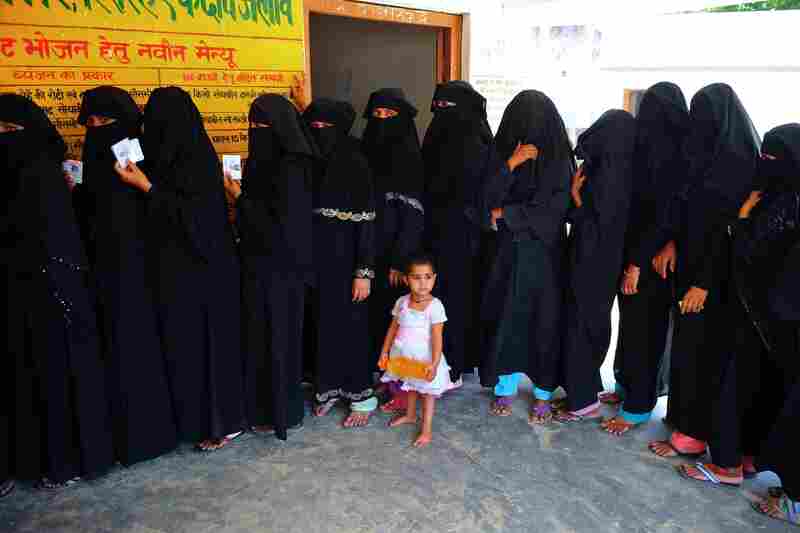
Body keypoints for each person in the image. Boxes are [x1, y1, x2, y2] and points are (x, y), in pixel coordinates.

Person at [115, 87, 244, 452]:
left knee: (210, 348)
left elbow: (196, 220)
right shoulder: (155, 153)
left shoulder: (197, 158)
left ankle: (223, 422)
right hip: (172, 271)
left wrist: (148, 187)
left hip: (206, 270)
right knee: (183, 348)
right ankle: (191, 421)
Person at [0, 94, 113, 490]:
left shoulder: (39, 173)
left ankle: (67, 460)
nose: (4, 138)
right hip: (30, 291)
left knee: (59, 372)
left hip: (55, 291)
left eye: (10, 131)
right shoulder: (43, 172)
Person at [677, 124, 800, 486]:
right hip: (777, 318)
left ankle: (727, 466)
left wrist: (742, 220)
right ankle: (747, 459)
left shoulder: (778, 202)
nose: (765, 162)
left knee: (735, 384)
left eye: (772, 157)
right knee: (762, 388)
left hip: (758, 315)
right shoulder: (786, 194)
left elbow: (750, 255)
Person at [648, 83, 760, 458]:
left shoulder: (739, 167)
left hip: (714, 281)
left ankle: (693, 435)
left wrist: (703, 283)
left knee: (704, 354)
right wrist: (673, 242)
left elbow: (728, 233)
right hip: (692, 266)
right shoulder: (706, 156)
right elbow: (688, 209)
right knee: (688, 348)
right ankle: (684, 421)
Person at [76, 86, 178, 464]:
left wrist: (143, 187)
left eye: (106, 121)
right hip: (103, 274)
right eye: (91, 122)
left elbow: (166, 216)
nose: (97, 129)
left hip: (142, 274)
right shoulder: (94, 168)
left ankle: (149, 435)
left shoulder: (147, 164)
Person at [223, 93, 317, 440]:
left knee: (279, 340)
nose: (254, 131)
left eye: (261, 125)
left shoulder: (293, 165)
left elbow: (282, 225)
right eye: (251, 124)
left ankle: (282, 412)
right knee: (261, 339)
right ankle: (263, 409)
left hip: (281, 270)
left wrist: (239, 199)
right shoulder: (271, 161)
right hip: (260, 266)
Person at [478, 90, 574, 422]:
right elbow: (483, 198)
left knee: (544, 320)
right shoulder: (502, 153)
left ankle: (543, 392)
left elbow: (557, 207)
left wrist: (507, 212)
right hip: (506, 254)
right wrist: (510, 164)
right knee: (506, 315)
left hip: (545, 256)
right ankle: (504, 386)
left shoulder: (560, 158)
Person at [603, 83, 690, 435]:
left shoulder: (674, 158)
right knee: (632, 326)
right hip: (637, 252)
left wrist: (636, 263)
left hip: (650, 262)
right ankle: (626, 388)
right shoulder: (655, 149)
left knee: (645, 332)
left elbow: (664, 217)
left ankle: (638, 406)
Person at [556, 110, 637, 424]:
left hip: (591, 261)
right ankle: (583, 392)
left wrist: (576, 197)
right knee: (592, 323)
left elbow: (595, 223)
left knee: (580, 324)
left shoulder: (607, 177)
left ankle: (583, 400)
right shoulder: (626, 172)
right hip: (605, 263)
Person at [302, 98, 378, 427]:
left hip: (348, 263)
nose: (319, 133)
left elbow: (367, 223)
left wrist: (363, 272)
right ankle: (328, 388)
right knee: (322, 325)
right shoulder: (308, 160)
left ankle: (361, 395)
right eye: (313, 127)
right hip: (317, 263)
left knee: (351, 327)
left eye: (325, 127)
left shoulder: (355, 162)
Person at [422, 81, 493, 387]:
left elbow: (484, 190)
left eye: (447, 108)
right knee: (434, 299)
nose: (440, 114)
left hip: (466, 238)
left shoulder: (475, 142)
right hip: (435, 234)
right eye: (436, 108)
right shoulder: (435, 138)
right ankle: (439, 360)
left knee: (461, 299)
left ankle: (457, 361)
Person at [361, 88, 425, 414]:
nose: (382, 121)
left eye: (390, 115)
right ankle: (382, 378)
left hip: (395, 257)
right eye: (377, 115)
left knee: (401, 323)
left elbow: (413, 214)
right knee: (376, 319)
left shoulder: (409, 155)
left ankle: (403, 387)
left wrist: (402, 260)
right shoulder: (365, 151)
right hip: (369, 250)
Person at [380, 254, 451, 448]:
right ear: (406, 279)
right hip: (404, 356)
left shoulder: (435, 307)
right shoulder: (402, 302)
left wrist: (434, 363)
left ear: (434, 279)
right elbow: (393, 328)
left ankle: (426, 429)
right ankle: (410, 415)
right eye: (416, 278)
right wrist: (384, 352)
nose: (422, 283)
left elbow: (438, 338)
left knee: (427, 394)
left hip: (425, 359)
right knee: (409, 385)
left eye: (427, 277)